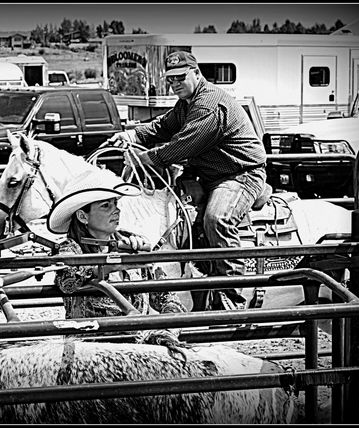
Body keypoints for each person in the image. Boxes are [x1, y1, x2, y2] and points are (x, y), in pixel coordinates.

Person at [109, 50, 268, 312]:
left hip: (240, 175)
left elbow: (184, 145)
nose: (174, 84)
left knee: (218, 219)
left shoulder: (209, 104)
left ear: (196, 73)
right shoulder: (186, 104)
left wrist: (147, 157)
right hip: (208, 175)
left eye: (180, 77)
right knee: (171, 213)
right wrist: (132, 136)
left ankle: (232, 299)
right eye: (170, 80)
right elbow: (162, 126)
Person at [47, 169, 188, 345]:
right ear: (83, 216)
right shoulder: (70, 249)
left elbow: (168, 297)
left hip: (136, 350)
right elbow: (67, 281)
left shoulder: (132, 243)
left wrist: (166, 331)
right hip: (89, 353)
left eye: (115, 203)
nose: (117, 210)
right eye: (106, 205)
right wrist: (114, 263)